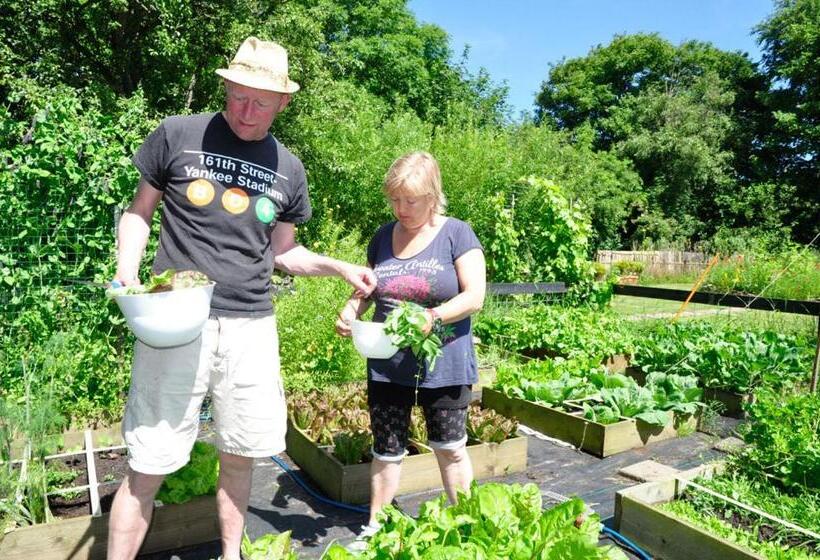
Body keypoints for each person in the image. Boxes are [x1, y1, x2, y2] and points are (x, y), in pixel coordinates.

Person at [107, 37, 376, 560]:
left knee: (240, 453)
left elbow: (284, 253)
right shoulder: (178, 134)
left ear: (283, 103)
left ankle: (231, 555)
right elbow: (139, 212)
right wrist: (126, 272)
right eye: (238, 96)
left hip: (251, 324)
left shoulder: (288, 169)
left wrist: (340, 267)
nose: (246, 111)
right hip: (175, 319)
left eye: (261, 102)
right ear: (226, 86)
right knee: (149, 460)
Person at [335, 151, 486, 536]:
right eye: (395, 199)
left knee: (450, 447)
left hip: (445, 361)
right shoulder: (383, 237)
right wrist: (351, 310)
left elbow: (475, 297)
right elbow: (368, 289)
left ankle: (466, 527)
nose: (401, 209)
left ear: (432, 196)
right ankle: (375, 527)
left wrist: (432, 317)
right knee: (386, 450)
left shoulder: (457, 234)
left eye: (411, 201)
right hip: (388, 363)